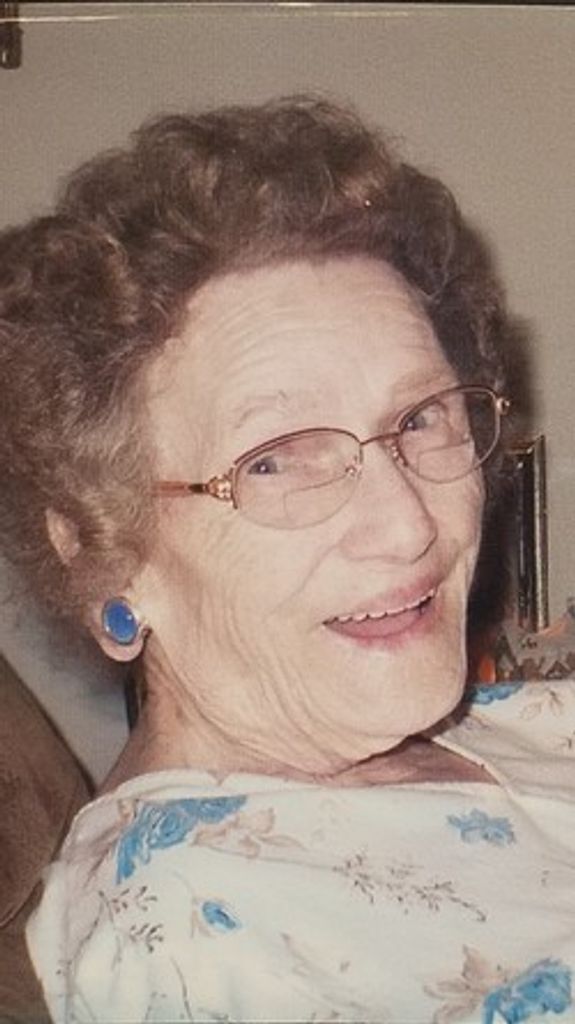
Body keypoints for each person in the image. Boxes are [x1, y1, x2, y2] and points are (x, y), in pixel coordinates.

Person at [1, 96, 574, 1024]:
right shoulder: (195, 933)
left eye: (420, 417)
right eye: (272, 461)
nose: (406, 526)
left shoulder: (507, 722)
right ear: (105, 552)